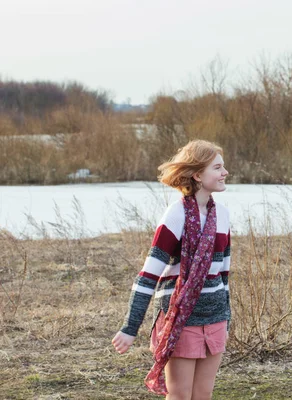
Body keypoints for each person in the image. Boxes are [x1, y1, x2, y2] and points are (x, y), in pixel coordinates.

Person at [111, 139, 231, 399]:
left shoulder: (223, 214)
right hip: (181, 320)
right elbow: (148, 276)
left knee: (203, 394)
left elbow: (223, 275)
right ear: (198, 174)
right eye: (218, 168)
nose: (225, 173)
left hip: (215, 319)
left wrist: (227, 318)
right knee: (179, 395)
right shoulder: (175, 214)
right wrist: (130, 327)